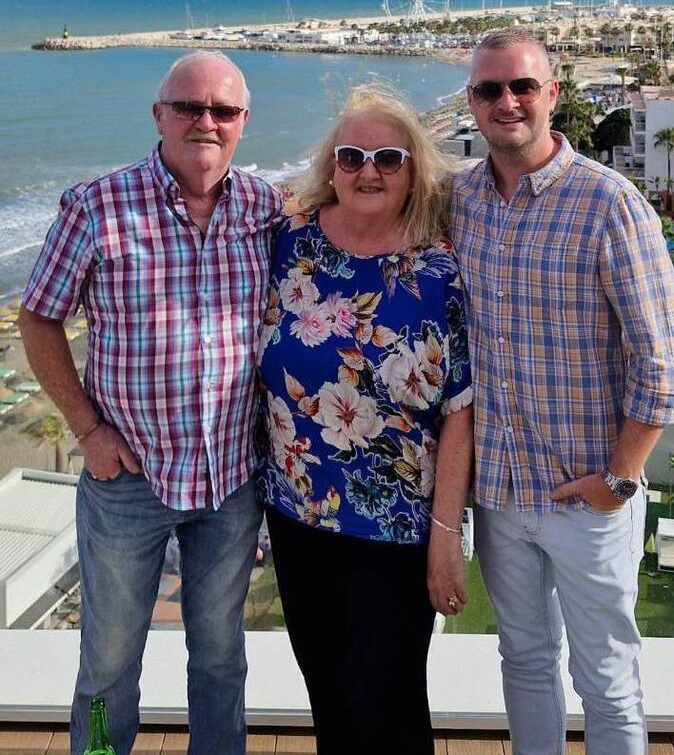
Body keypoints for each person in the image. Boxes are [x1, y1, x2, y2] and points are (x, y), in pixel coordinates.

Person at [18, 52, 283, 755]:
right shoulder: (97, 206)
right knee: (106, 667)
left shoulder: (266, 208)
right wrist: (87, 429)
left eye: (222, 111)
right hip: (126, 481)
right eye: (189, 107)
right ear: (158, 115)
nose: (206, 122)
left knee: (221, 659)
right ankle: (100, 751)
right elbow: (38, 317)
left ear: (242, 123)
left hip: (230, 483)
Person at [450, 27, 674, 755]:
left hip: (587, 497)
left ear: (551, 94)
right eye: (489, 89)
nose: (506, 102)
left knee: (606, 676)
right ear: (473, 104)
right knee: (524, 660)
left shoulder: (611, 205)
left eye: (521, 86)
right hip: (503, 495)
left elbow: (660, 361)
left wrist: (620, 475)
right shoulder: (461, 201)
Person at [257, 85, 473, 755]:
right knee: (327, 693)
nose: (368, 171)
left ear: (413, 172)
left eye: (388, 157)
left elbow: (460, 414)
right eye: (351, 157)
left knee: (391, 701)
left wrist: (444, 539)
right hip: (299, 517)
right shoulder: (288, 246)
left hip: (397, 530)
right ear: (331, 168)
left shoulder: (438, 275)